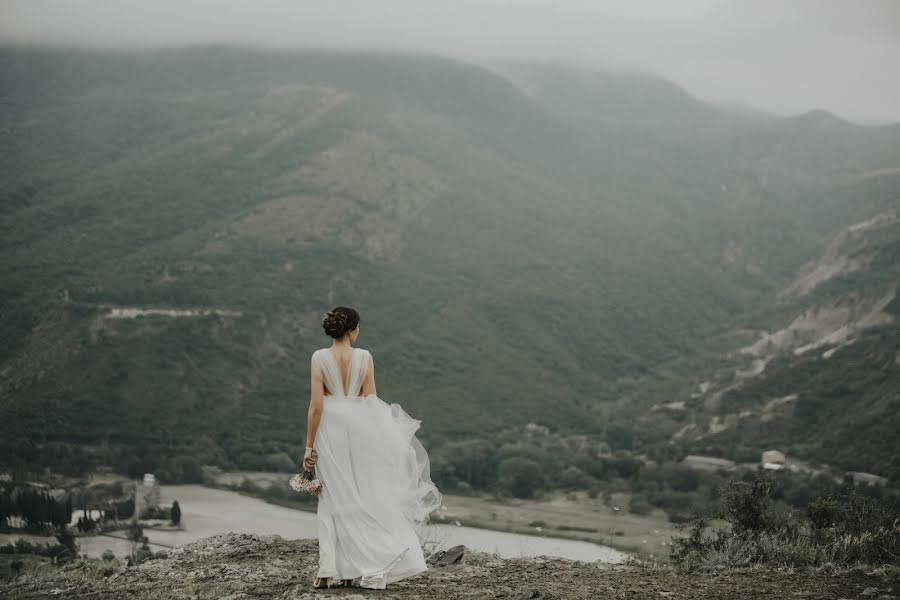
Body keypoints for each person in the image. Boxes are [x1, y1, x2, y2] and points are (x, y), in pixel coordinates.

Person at [304, 306, 442, 589]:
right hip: (361, 428)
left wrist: (309, 446)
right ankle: (370, 565)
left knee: (332, 496)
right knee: (363, 492)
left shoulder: (318, 358)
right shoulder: (364, 357)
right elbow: (371, 400)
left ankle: (329, 569)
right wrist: (383, 439)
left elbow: (316, 406)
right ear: (352, 330)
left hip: (330, 430)